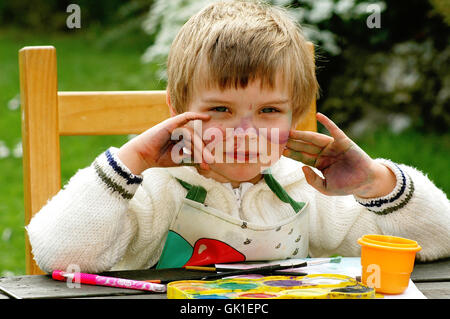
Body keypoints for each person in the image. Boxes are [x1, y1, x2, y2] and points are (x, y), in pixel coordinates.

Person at [26, 0, 450, 274]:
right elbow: (58, 258)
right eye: (220, 110)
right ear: (176, 111)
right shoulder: (152, 191)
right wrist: (131, 160)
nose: (245, 132)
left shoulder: (306, 187)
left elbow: (438, 242)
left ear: (295, 116)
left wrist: (378, 183)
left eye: (268, 111)